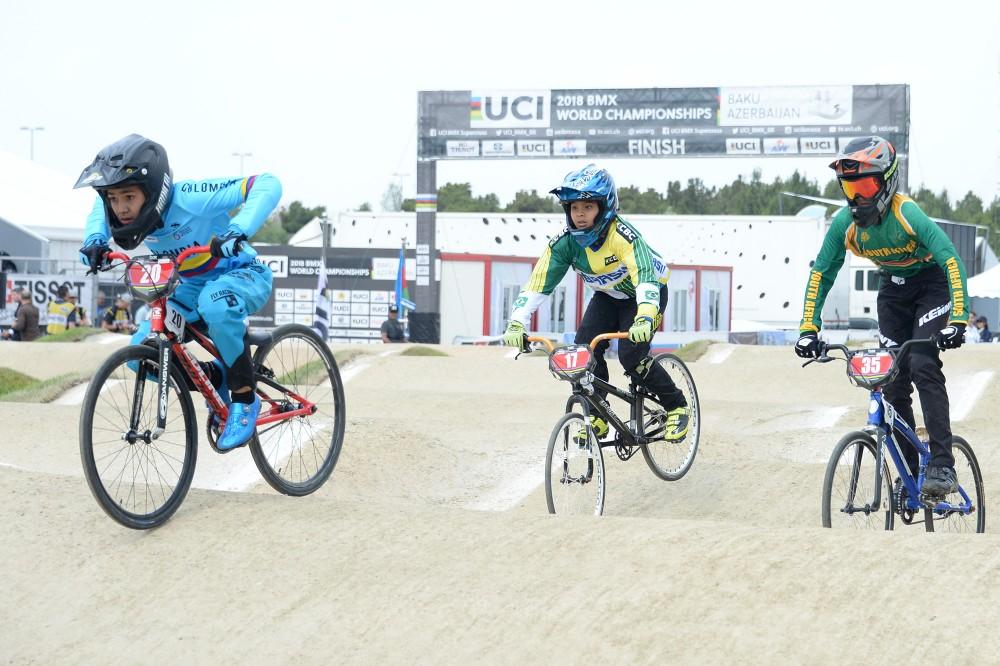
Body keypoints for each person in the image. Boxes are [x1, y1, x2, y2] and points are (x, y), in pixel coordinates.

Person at [75, 134, 282, 451]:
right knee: (141, 356)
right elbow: (98, 212)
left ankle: (244, 399)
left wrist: (238, 230)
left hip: (243, 274)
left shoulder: (191, 198)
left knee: (214, 305)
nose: (121, 208)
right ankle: (216, 376)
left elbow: (267, 183)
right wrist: (95, 241)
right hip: (190, 288)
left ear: (152, 191)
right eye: (114, 199)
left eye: (129, 197)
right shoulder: (119, 209)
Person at [795, 136, 968, 496]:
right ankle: (911, 472)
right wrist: (808, 328)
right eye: (850, 188)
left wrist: (958, 320)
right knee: (892, 380)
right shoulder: (844, 224)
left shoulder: (908, 214)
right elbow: (822, 273)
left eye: (866, 187)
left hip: (931, 285)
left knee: (922, 363)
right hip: (892, 291)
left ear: (887, 182)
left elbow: (951, 259)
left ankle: (943, 465)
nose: (858, 197)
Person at [500, 164, 689, 441]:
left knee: (632, 357)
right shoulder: (564, 244)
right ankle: (597, 415)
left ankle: (676, 406)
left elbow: (645, 277)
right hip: (607, 297)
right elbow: (537, 284)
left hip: (645, 294)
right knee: (582, 352)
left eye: (587, 207)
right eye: (574, 207)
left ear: (605, 206)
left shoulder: (622, 236)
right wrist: (517, 322)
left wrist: (646, 317)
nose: (579, 214)